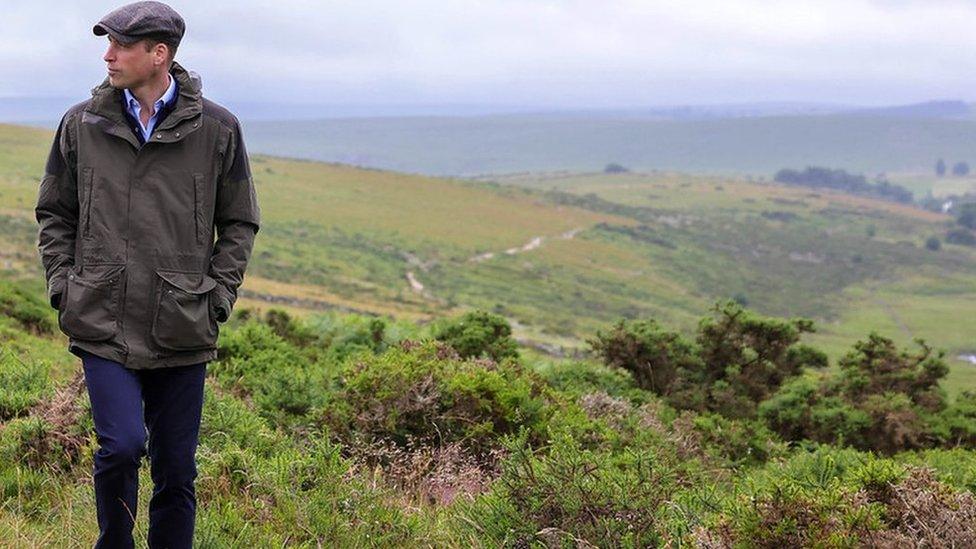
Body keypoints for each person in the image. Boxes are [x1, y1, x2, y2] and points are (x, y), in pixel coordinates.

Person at [33, 1, 261, 546]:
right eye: (106, 45)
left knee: (177, 471)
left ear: (159, 54)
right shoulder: (79, 124)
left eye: (120, 46)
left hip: (183, 323)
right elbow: (54, 213)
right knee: (121, 448)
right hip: (100, 318)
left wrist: (218, 298)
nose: (107, 56)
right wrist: (64, 286)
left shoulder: (218, 129)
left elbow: (239, 222)